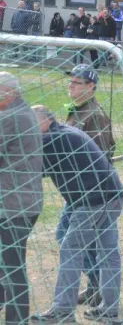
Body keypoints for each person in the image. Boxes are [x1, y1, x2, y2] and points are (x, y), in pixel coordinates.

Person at [30, 106, 123, 324]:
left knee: (71, 251)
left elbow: (26, 168)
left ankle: (62, 312)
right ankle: (109, 310)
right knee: (108, 253)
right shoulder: (65, 131)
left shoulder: (51, 139)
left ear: (44, 121)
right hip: (112, 195)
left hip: (93, 201)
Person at [58, 64, 115, 307]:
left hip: (89, 193)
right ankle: (95, 287)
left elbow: (102, 156)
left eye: (77, 82)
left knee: (65, 235)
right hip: (75, 190)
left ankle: (98, 285)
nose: (71, 85)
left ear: (91, 87)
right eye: (70, 81)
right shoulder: (77, 110)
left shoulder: (95, 115)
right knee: (84, 242)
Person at [0, 72, 43, 325]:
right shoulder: (23, 112)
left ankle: (16, 321)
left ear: (9, 93)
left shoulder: (11, 117)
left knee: (13, 268)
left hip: (13, 205)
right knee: (7, 264)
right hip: (23, 202)